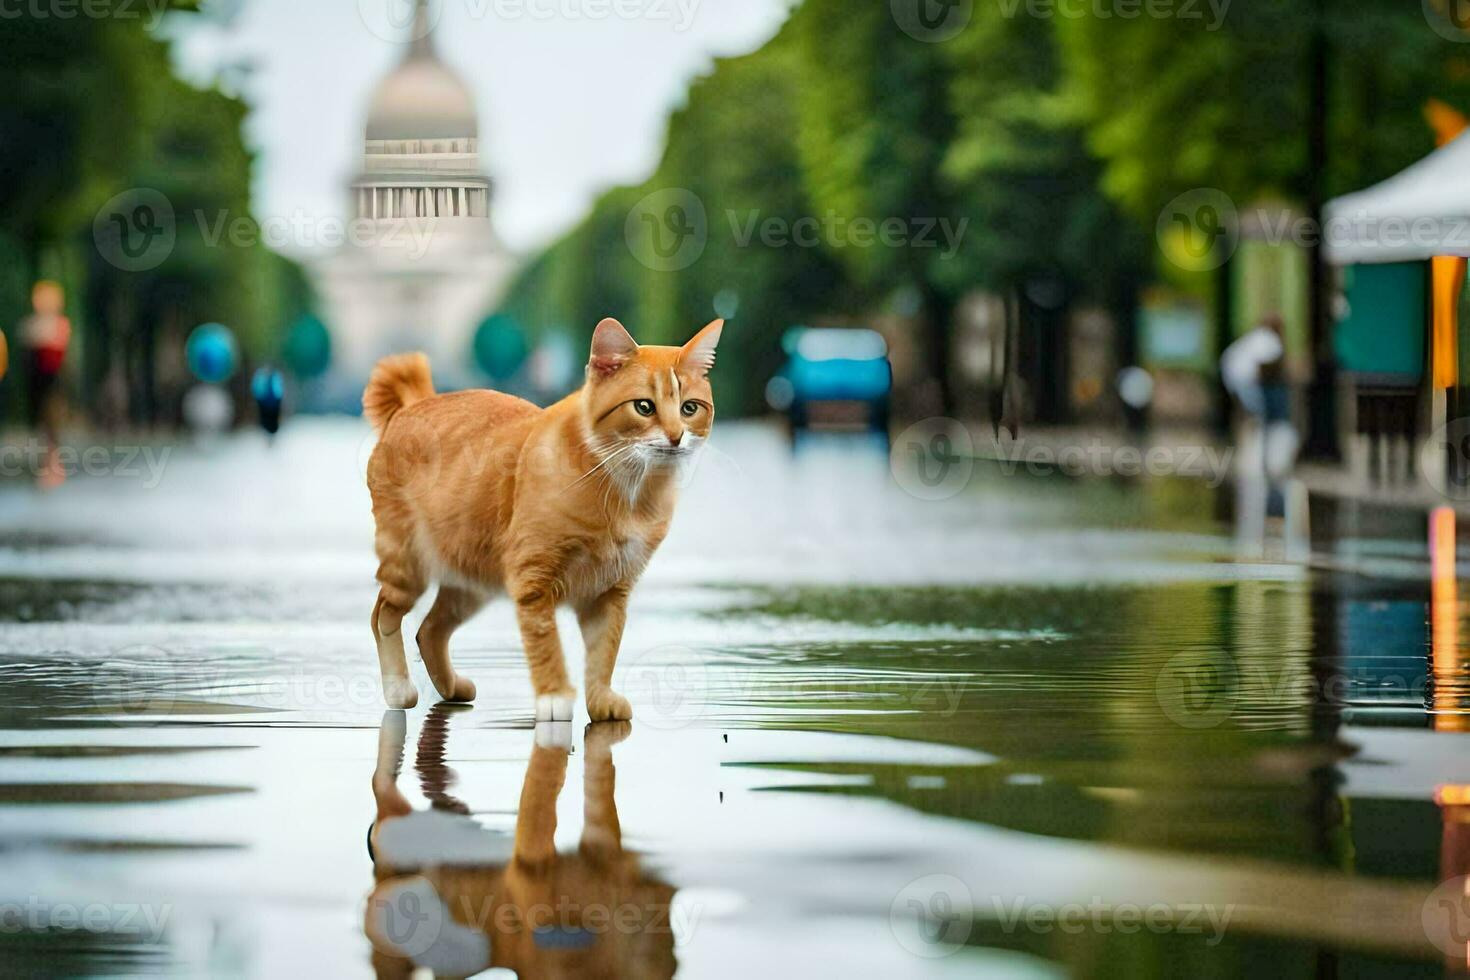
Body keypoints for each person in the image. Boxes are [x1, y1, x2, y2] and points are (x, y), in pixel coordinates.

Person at [21, 281, 72, 488]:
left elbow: (61, 357)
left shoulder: (60, 325)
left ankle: (54, 465)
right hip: (37, 385)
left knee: (52, 425)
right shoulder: (31, 325)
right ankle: (46, 464)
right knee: (42, 426)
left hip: (54, 385)